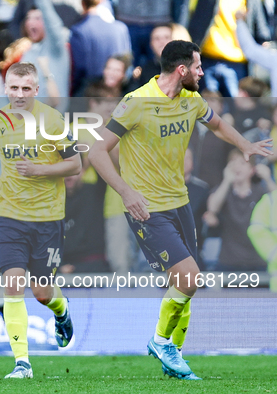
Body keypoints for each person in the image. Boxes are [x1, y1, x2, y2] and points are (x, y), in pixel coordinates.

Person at [88, 40, 272, 380]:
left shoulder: (192, 100)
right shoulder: (136, 103)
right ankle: (161, 342)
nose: (203, 73)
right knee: (189, 277)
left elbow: (216, 124)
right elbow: (97, 152)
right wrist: (126, 192)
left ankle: (176, 357)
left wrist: (244, 144)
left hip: (180, 203)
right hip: (147, 207)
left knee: (187, 284)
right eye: (199, 67)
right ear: (182, 70)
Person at [0, 62, 80, 378]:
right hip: (10, 216)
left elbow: (75, 164)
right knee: (12, 285)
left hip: (48, 219)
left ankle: (62, 310)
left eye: (26, 88)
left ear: (36, 90)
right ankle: (22, 363)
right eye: (14, 88)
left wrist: (41, 170)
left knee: (42, 293)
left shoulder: (52, 120)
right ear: (6, 88)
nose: (20, 94)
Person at [205, 149, 275, 272]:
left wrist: (268, 179)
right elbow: (212, 208)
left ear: (252, 169)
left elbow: (275, 202)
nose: (237, 167)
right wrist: (226, 181)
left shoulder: (260, 192)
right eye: (233, 163)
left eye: (242, 163)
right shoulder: (223, 191)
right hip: (228, 262)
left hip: (258, 262)